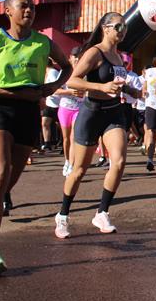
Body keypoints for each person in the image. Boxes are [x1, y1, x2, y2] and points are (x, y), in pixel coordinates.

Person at [0, 0, 71, 276]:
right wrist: (11, 94)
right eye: (23, 6)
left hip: (28, 113)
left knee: (4, 185)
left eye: (32, 7)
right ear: (7, 10)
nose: (28, 10)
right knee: (0, 171)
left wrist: (52, 87)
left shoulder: (43, 42)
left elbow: (67, 67)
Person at [54, 12, 137, 239]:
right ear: (105, 28)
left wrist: (130, 90)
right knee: (79, 170)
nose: (122, 31)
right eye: (118, 27)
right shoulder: (94, 52)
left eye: (124, 27)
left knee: (118, 161)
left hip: (114, 113)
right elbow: (72, 80)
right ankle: (62, 215)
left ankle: (102, 212)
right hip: (91, 112)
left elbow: (116, 85)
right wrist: (101, 88)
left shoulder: (119, 57)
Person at [56, 47, 83, 177]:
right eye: (75, 56)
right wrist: (69, 92)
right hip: (65, 108)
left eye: (79, 56)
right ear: (70, 57)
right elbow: (55, 90)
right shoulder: (64, 72)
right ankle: (67, 161)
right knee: (66, 139)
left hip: (79, 108)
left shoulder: (85, 72)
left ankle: (72, 166)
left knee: (73, 138)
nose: (77, 58)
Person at [41, 60, 61, 151]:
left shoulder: (53, 73)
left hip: (57, 103)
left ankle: (63, 141)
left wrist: (49, 93)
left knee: (60, 125)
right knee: (45, 123)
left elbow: (56, 88)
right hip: (49, 103)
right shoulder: (46, 73)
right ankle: (47, 143)